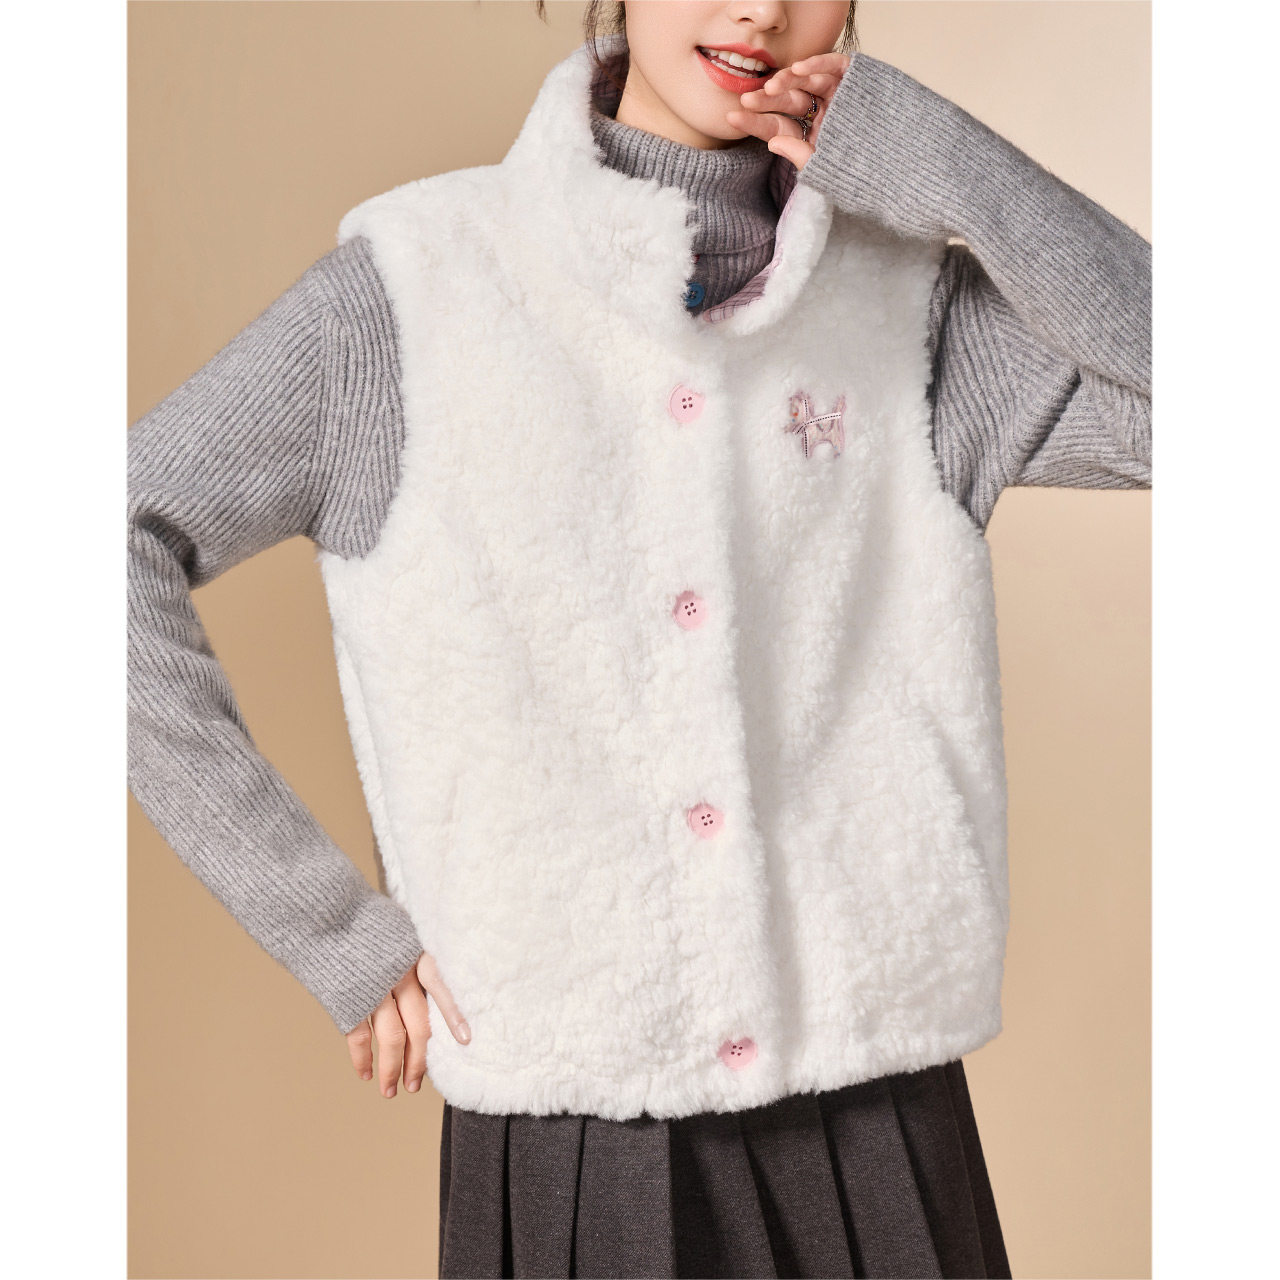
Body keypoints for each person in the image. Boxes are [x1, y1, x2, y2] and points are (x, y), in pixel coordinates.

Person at [127, 1, 1151, 1275]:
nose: (758, 9)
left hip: (878, 1112)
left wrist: (942, 163)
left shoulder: (906, 308)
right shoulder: (415, 291)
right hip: (573, 1134)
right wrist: (326, 923)